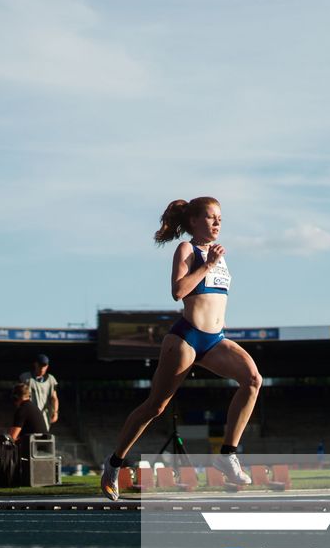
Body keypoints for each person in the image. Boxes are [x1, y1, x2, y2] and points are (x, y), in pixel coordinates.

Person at [99, 197, 261, 501]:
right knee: (156, 407)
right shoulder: (187, 249)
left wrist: (215, 262)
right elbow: (178, 291)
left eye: (220, 219)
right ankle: (114, 463)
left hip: (215, 340)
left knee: (253, 380)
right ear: (194, 221)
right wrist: (208, 264)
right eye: (211, 218)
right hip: (186, 338)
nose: (217, 224)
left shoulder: (220, 256)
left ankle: (227, 455)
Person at [7, 382, 49, 457]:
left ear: (15, 397)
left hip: (31, 450)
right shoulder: (34, 407)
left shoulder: (22, 410)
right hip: (42, 449)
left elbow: (12, 437)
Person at [19, 354, 61, 431]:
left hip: (44, 416)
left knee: (43, 437)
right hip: (29, 414)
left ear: (47, 366)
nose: (42, 368)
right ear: (35, 364)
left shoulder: (51, 380)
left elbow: (54, 398)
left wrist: (55, 412)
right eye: (40, 365)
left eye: (44, 366)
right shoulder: (25, 378)